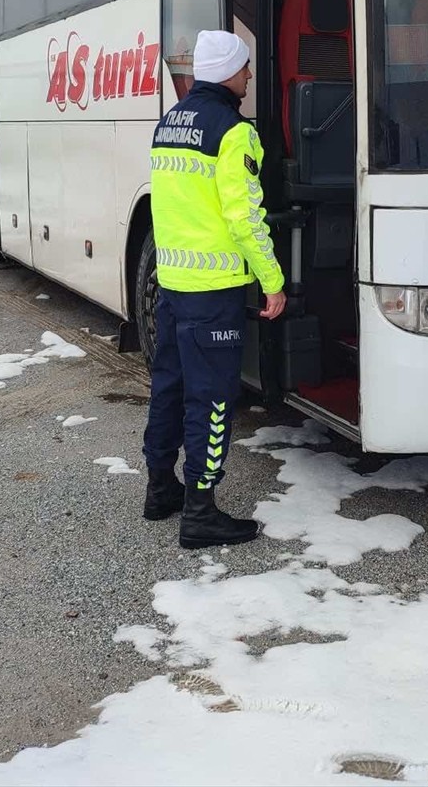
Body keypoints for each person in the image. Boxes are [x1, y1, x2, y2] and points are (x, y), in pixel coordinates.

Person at [142, 30, 287, 549]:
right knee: (212, 398)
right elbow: (245, 216)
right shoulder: (233, 131)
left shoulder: (169, 123)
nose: (249, 77)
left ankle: (161, 489)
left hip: (173, 283)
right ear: (228, 71)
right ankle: (200, 511)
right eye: (245, 68)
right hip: (214, 289)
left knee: (169, 386)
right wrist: (273, 281)